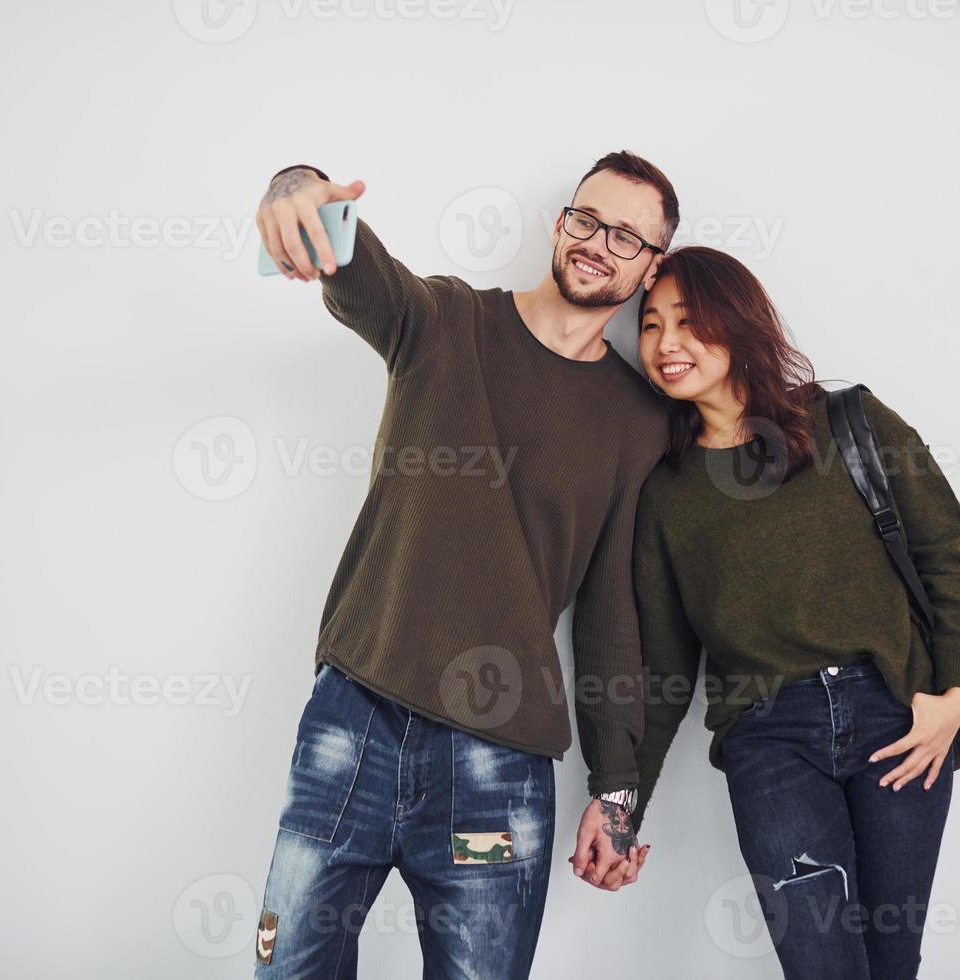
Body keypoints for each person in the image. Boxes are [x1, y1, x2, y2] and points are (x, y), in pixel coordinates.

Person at [250, 152, 662, 979]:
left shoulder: (638, 418)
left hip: (497, 765)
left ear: (651, 265)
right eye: (586, 219)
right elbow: (358, 274)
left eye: (627, 236)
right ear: (560, 224)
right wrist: (299, 191)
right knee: (285, 967)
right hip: (355, 720)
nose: (598, 244)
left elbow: (612, 610)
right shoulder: (444, 320)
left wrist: (618, 791)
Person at [628, 246, 960, 979]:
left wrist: (956, 694)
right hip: (769, 741)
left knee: (892, 960)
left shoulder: (849, 421)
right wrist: (621, 804)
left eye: (690, 322)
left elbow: (949, 554)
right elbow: (665, 667)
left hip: (897, 719)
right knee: (821, 965)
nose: (667, 344)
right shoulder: (664, 491)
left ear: (738, 324)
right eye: (652, 324)